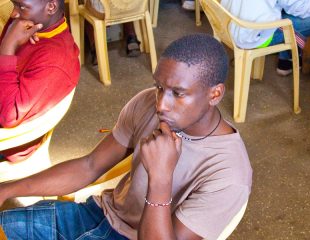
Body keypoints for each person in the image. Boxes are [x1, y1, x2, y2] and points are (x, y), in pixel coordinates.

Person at [0, 33, 252, 240]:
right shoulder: (146, 103)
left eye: (178, 93)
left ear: (215, 94)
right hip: (96, 213)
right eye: (160, 87)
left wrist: (161, 179)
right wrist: (8, 188)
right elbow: (90, 165)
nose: (161, 104)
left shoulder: (229, 174)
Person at [221, 0, 310, 106]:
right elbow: (304, 9)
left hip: (229, 25)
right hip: (256, 35)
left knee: (283, 7)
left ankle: (285, 61)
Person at [0, 0, 80, 161]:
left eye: (21, 7)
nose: (14, 13)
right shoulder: (26, 24)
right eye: (14, 4)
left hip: (10, 143)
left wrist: (7, 47)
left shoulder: (54, 60)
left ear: (51, 7)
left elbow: (8, 117)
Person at [85, 0, 141, 65]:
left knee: (85, 6)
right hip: (132, 7)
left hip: (100, 13)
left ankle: (96, 47)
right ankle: (131, 36)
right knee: (126, 5)